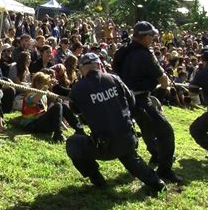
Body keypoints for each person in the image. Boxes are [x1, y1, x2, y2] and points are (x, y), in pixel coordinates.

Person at [66, 53, 166, 192]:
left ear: (82, 69)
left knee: (72, 143)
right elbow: (131, 101)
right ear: (100, 65)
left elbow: (76, 112)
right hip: (128, 138)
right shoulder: (114, 79)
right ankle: (157, 183)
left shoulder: (77, 88)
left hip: (104, 145)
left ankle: (96, 178)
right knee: (131, 158)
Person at [113, 21, 182, 184]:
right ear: (143, 37)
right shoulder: (146, 54)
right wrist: (162, 90)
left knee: (146, 127)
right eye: (151, 36)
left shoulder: (122, 50)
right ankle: (165, 169)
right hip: (141, 98)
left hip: (125, 99)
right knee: (166, 132)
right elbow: (163, 79)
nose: (153, 39)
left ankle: (156, 154)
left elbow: (115, 69)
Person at [20, 72, 84, 142]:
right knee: (58, 106)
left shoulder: (44, 94)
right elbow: (34, 100)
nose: (47, 86)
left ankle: (79, 130)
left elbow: (58, 99)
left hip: (41, 122)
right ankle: (58, 134)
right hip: (31, 124)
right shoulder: (29, 92)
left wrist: (56, 97)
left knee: (62, 106)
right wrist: (45, 88)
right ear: (37, 83)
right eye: (45, 83)